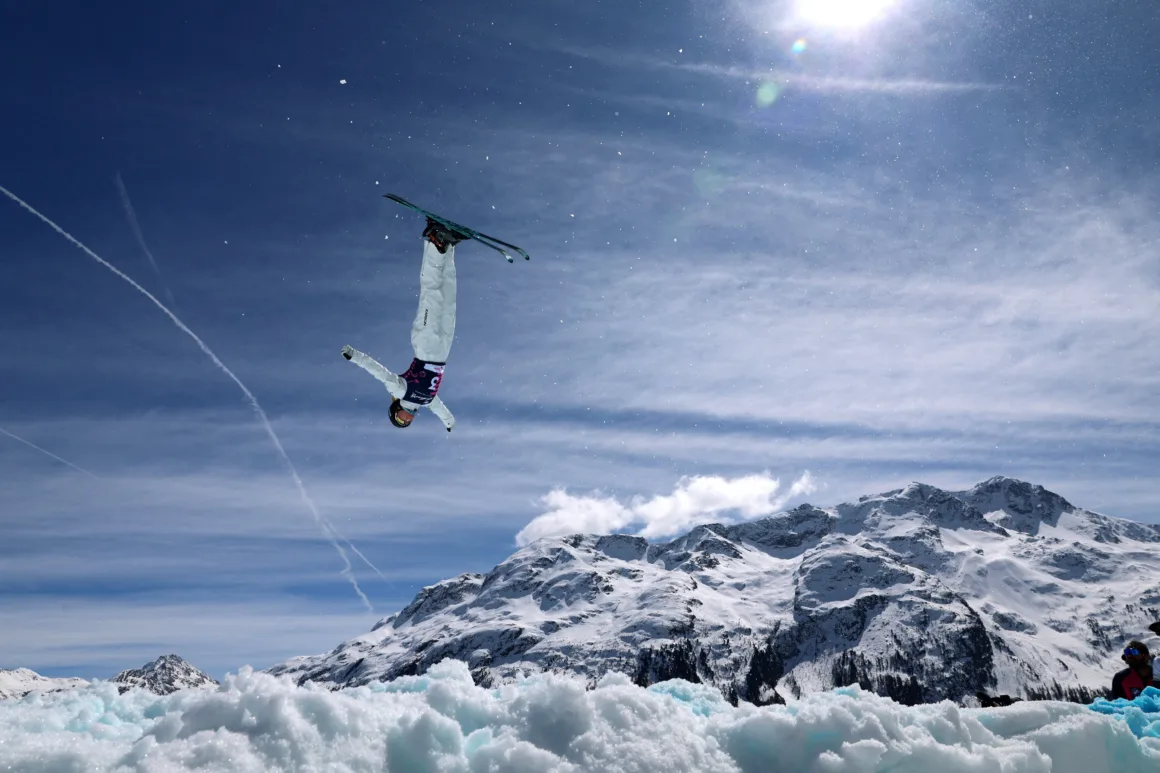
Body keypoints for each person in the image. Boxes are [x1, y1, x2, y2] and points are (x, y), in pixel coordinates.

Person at [341, 219, 465, 431]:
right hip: (443, 352)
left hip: (425, 346)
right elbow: (441, 410)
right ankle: (448, 247)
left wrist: (354, 356)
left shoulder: (400, 391)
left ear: (395, 409)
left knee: (431, 295)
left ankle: (435, 241)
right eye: (407, 423)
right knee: (448, 298)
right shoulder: (427, 402)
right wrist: (449, 423)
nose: (407, 418)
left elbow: (377, 371)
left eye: (400, 419)